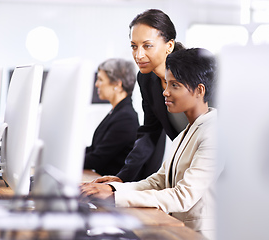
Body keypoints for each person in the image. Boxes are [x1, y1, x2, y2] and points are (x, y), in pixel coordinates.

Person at [81, 48, 221, 240]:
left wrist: (116, 198)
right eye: (166, 83)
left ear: (199, 90)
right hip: (177, 229)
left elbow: (183, 196)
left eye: (175, 85)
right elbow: (159, 181)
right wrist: (114, 188)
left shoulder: (215, 133)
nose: (165, 92)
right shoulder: (185, 133)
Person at [94, 9, 187, 183]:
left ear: (169, 45)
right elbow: (150, 132)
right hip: (187, 165)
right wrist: (122, 178)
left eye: (147, 45)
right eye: (134, 46)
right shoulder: (146, 78)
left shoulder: (194, 75)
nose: (138, 55)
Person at [84, 58, 139, 176]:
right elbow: (95, 149)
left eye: (100, 79)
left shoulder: (126, 118)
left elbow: (97, 159)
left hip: (110, 186)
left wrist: (67, 159)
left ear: (117, 85)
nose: (96, 84)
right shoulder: (117, 112)